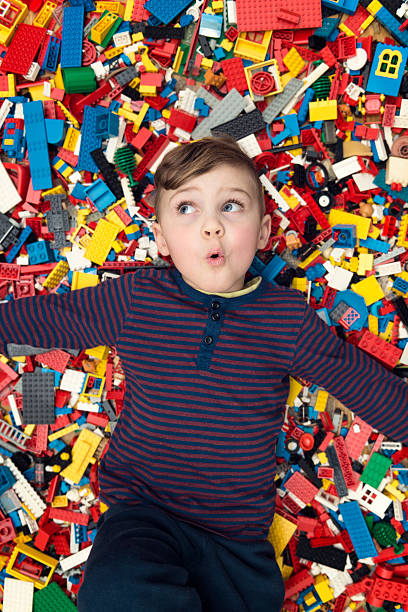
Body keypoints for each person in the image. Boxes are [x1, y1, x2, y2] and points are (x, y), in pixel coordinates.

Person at [0, 136, 407, 612]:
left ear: (263, 231)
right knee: (116, 595)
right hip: (143, 519)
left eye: (231, 206)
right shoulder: (137, 299)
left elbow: (361, 382)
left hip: (237, 546)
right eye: (188, 209)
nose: (212, 226)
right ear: (162, 236)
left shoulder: (286, 320)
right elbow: (50, 318)